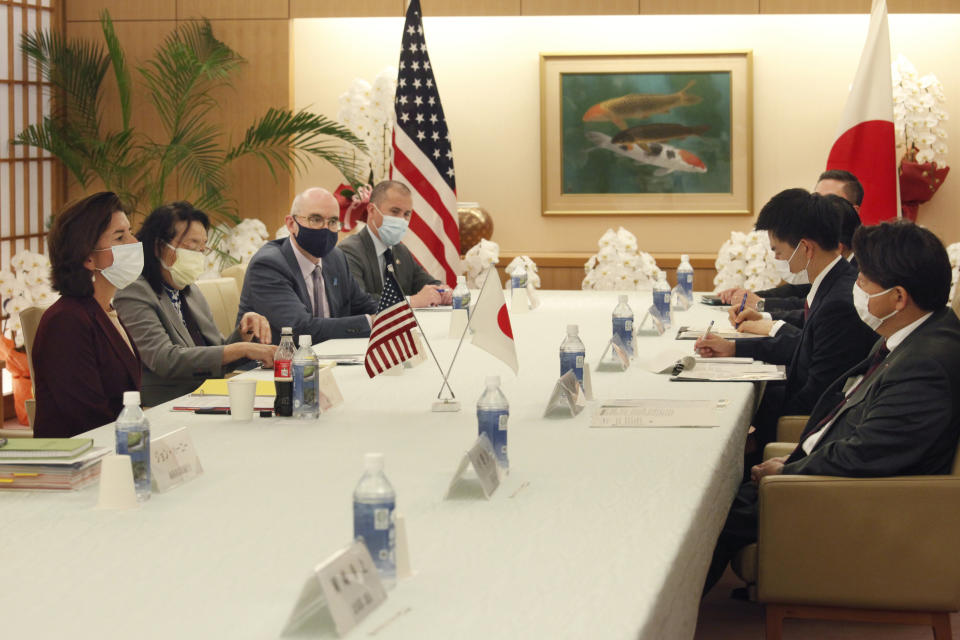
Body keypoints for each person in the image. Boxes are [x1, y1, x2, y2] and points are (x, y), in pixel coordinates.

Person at [703, 220, 960, 595]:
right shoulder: (915, 332)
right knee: (714, 500)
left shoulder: (926, 366)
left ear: (899, 297)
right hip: (825, 474)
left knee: (707, 522)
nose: (855, 287)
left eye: (865, 281)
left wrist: (791, 469)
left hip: (857, 503)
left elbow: (868, 455)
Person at [695, 190, 876, 456]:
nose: (777, 260)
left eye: (778, 251)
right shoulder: (831, 284)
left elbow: (817, 395)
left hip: (805, 434)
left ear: (805, 248)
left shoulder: (839, 301)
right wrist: (734, 349)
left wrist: (754, 432)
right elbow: (806, 348)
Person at [114, 202, 277, 406]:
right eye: (192, 247)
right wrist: (242, 349)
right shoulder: (134, 291)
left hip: (208, 396)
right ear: (159, 246)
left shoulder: (190, 291)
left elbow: (217, 355)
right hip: (165, 404)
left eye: (203, 248)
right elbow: (165, 359)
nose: (198, 255)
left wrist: (244, 333)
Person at [32, 192, 144, 438]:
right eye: (120, 237)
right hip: (80, 461)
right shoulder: (66, 321)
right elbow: (88, 417)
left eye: (130, 232)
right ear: (88, 257)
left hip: (116, 448)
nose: (134, 242)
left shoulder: (106, 310)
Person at [237, 187, 377, 343]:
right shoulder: (268, 265)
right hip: (274, 363)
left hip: (330, 359)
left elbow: (365, 305)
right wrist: (369, 322)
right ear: (291, 224)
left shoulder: (336, 258)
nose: (325, 228)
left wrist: (397, 313)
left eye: (332, 222)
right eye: (316, 219)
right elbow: (299, 329)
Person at [719, 170, 864, 310]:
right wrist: (750, 297)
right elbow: (800, 291)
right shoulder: (823, 261)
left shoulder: (861, 270)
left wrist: (761, 305)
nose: (818, 207)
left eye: (828, 200)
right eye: (817, 197)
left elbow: (814, 307)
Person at [338, 180, 452, 308]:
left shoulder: (400, 250)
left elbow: (425, 282)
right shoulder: (349, 250)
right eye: (395, 211)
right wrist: (410, 301)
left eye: (407, 214)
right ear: (371, 210)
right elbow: (359, 301)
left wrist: (442, 290)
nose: (401, 220)